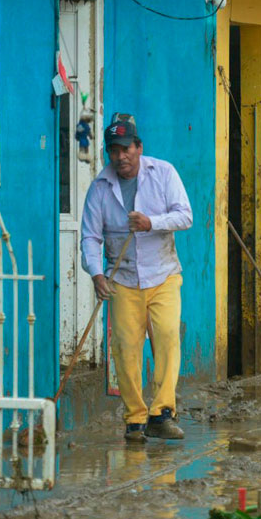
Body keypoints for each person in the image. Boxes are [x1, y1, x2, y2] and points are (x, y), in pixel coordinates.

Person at [80, 113, 192, 442]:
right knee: (126, 349)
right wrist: (96, 273)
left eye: (126, 148)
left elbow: (185, 215)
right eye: (114, 150)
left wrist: (151, 223)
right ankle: (134, 419)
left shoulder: (164, 173)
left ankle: (162, 413)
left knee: (168, 339)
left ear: (138, 147)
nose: (121, 156)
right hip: (124, 280)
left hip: (164, 274)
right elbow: (90, 236)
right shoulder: (101, 187)